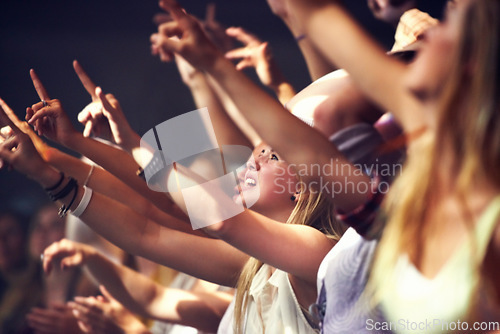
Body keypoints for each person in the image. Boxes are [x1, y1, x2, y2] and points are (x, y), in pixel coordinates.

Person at [151, 0, 500, 330]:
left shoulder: (484, 223)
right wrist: (212, 65)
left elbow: (319, 131)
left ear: (473, 65)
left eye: (451, 21)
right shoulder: (397, 217)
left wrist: (151, 153)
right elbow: (319, 143)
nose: (430, 31)